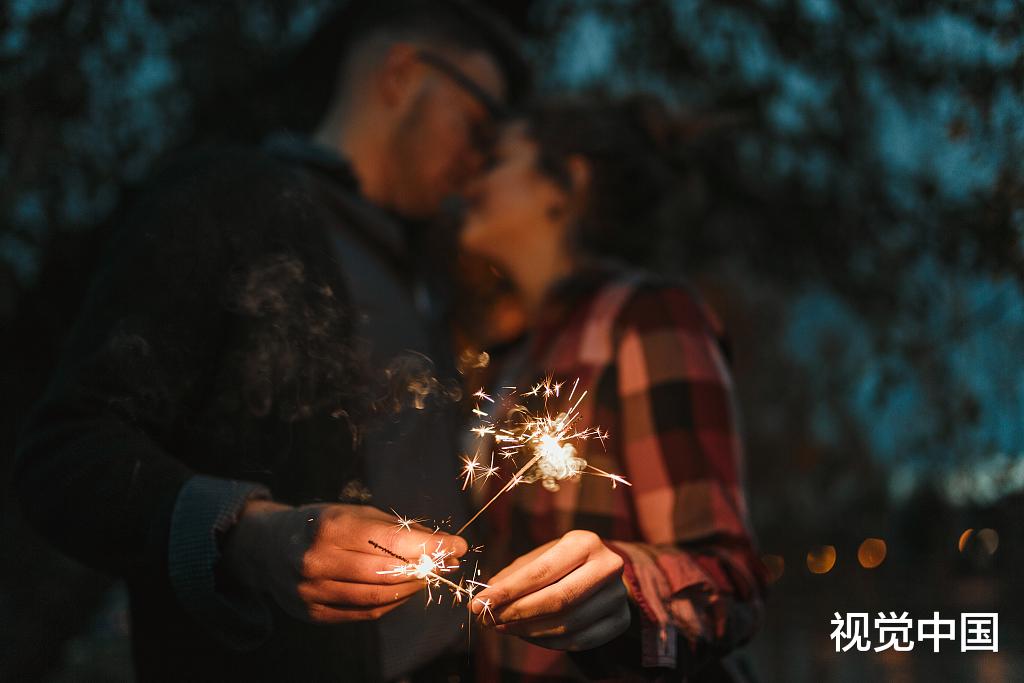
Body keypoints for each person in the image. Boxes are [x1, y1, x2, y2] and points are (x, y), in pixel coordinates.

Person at [14, 2, 528, 681]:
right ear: (402, 73)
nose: (476, 162)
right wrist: (250, 532)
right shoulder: (229, 202)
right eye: (478, 125)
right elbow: (64, 453)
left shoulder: (421, 269)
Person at [457, 96, 769, 681]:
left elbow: (731, 580)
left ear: (566, 183)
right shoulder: (509, 356)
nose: (471, 180)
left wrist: (624, 587)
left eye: (497, 160)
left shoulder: (648, 320)